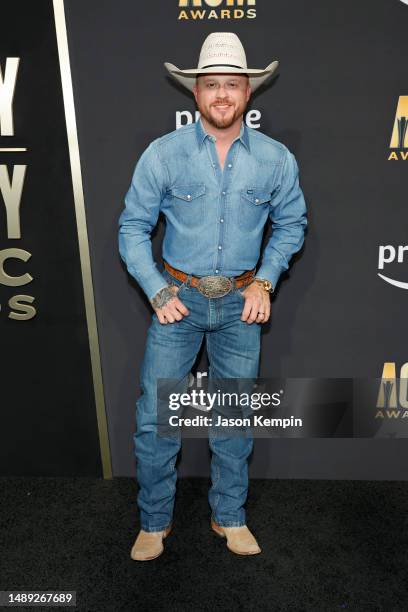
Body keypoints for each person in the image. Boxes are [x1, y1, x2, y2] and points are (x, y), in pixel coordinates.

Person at [118, 32, 307, 561]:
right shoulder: (163, 154)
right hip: (177, 301)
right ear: (194, 92)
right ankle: (154, 523)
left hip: (242, 307)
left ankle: (229, 516)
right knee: (157, 419)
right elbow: (132, 228)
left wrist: (265, 280)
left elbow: (292, 223)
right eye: (210, 85)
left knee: (234, 416)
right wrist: (157, 289)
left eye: (231, 84)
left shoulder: (275, 159)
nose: (221, 94)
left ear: (247, 92)